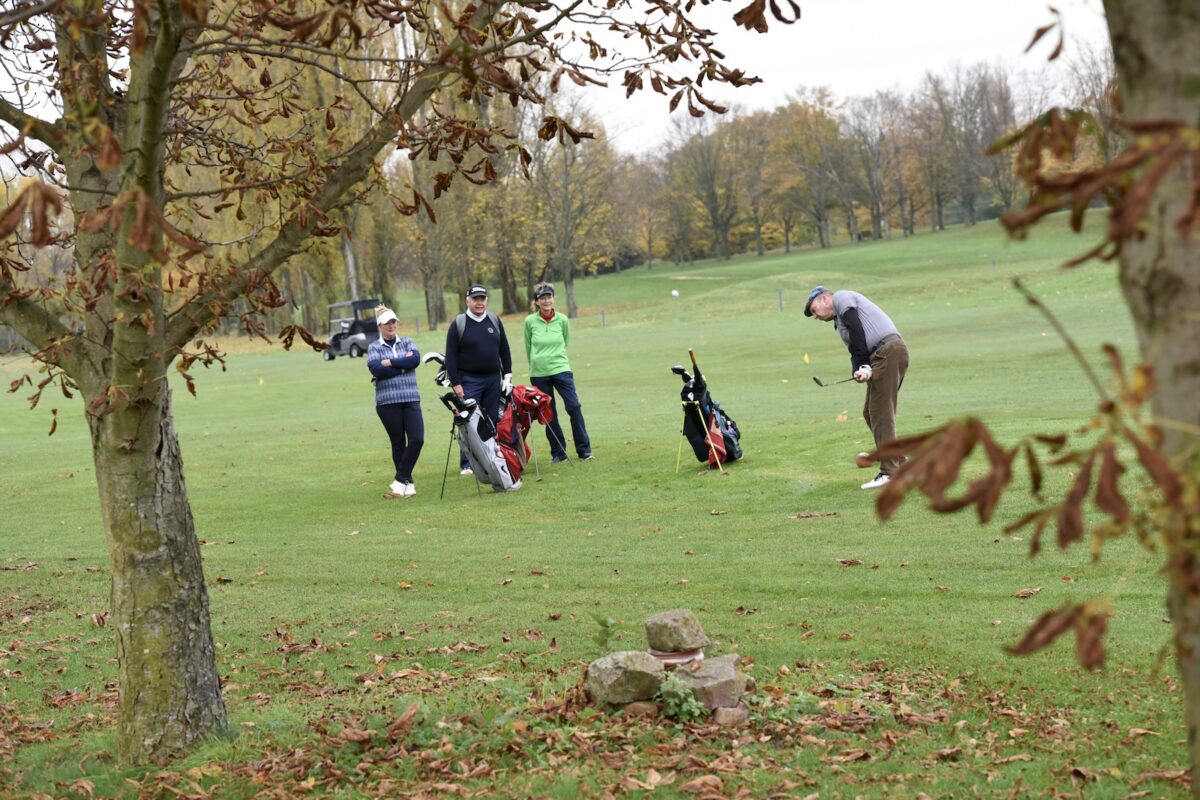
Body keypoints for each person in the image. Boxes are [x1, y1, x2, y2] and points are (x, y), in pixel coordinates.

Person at [804, 285, 909, 490]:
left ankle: (890, 472)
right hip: (881, 356)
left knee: (881, 413)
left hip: (888, 352)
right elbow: (855, 348)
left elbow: (857, 329)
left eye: (814, 309)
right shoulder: (840, 321)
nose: (814, 316)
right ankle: (900, 463)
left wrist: (865, 365)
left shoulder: (842, 298)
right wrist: (859, 370)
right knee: (870, 413)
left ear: (825, 299)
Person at [444, 284, 513, 475]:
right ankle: (467, 463)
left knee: (490, 420)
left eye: (482, 299)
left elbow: (504, 349)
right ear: (467, 301)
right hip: (469, 380)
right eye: (475, 299)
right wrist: (456, 383)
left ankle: (489, 457)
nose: (479, 302)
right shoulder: (459, 323)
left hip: (493, 379)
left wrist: (507, 375)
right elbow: (451, 356)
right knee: (469, 421)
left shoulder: (494, 320)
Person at [523, 282, 593, 463]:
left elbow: (565, 340)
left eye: (549, 297)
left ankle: (584, 450)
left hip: (561, 369)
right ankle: (558, 452)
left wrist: (556, 359)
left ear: (553, 299)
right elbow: (528, 346)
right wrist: (536, 366)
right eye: (542, 298)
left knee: (574, 406)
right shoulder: (530, 321)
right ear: (536, 302)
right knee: (548, 413)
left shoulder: (562, 319)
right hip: (539, 373)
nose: (546, 301)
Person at [367, 306, 424, 497]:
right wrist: (402, 364)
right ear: (380, 326)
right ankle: (408, 484)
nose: (391, 326)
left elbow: (415, 360)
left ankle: (400, 480)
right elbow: (377, 370)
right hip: (387, 402)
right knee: (398, 443)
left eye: (393, 322)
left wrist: (390, 362)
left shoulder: (408, 341)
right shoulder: (374, 347)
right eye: (387, 323)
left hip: (410, 398)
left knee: (417, 439)